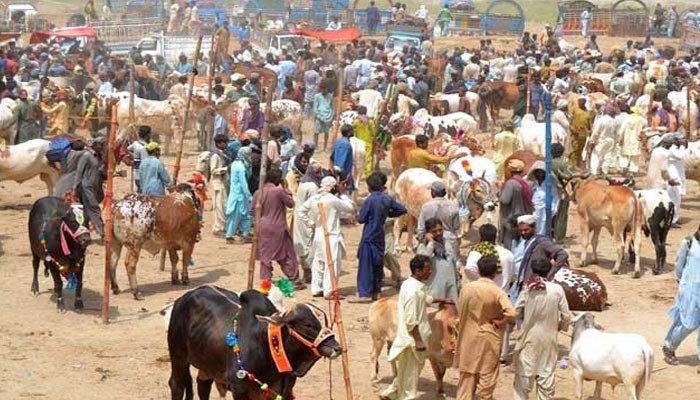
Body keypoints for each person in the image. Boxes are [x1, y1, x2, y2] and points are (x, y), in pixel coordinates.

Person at [380, 255, 451, 400]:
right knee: (412, 373)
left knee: (406, 369)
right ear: (418, 271)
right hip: (413, 339)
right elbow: (411, 320)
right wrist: (418, 341)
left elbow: (424, 298)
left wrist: (441, 300)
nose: (430, 272)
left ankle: (391, 392)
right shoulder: (413, 291)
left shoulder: (411, 285)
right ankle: (407, 397)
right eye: (427, 269)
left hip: (409, 337)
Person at [455, 255, 516, 400]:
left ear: (479, 270)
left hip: (467, 337)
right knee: (487, 378)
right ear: (495, 273)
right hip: (489, 338)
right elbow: (512, 313)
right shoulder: (497, 292)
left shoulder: (466, 288)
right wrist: (501, 322)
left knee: (467, 378)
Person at [512, 258, 571, 400]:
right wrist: (560, 327)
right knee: (546, 380)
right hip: (549, 341)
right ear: (548, 271)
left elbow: (515, 312)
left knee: (523, 383)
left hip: (529, 340)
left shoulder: (528, 289)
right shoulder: (557, 290)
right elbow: (566, 316)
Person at [300, 176, 355, 299]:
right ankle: (329, 291)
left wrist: (310, 223)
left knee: (319, 261)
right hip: (331, 235)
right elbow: (350, 208)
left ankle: (317, 288)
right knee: (332, 263)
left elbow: (301, 211)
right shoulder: (333, 199)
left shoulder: (314, 199)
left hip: (319, 233)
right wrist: (344, 194)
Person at [356, 172, 407, 301]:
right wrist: (388, 213)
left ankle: (365, 293)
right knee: (378, 264)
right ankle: (376, 292)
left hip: (369, 235)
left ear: (369, 187)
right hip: (380, 235)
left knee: (366, 265)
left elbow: (361, 219)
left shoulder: (370, 200)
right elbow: (402, 210)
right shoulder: (387, 198)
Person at [251, 168, 304, 287]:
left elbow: (252, 211)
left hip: (262, 227)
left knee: (265, 255)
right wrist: (286, 188)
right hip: (278, 226)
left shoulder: (258, 192)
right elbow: (291, 203)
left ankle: (266, 279)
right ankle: (294, 279)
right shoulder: (278, 191)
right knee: (287, 253)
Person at [662, 225, 700, 373]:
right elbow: (679, 264)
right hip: (690, 290)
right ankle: (669, 346)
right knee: (688, 323)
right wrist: (681, 282)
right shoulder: (689, 242)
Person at [417, 218, 458, 303]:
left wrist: (458, 281)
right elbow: (424, 259)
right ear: (428, 233)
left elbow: (452, 261)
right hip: (435, 288)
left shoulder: (446, 242)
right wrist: (431, 242)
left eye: (440, 230)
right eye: (434, 231)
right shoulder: (423, 246)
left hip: (450, 285)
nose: (438, 233)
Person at [417, 181, 461, 259]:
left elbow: (421, 229)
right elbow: (456, 226)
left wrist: (422, 241)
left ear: (433, 192)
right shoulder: (454, 206)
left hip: (431, 240)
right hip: (449, 240)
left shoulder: (426, 206)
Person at [464, 223, 514, 291]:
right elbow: (514, 276)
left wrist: (482, 280)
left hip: (484, 294)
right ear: (496, 236)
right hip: (503, 294)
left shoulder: (477, 252)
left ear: (480, 236)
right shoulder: (508, 254)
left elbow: (469, 268)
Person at [498, 159, 534, 249]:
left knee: (509, 243)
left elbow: (505, 200)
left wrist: (499, 191)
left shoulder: (511, 183)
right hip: (525, 216)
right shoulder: (527, 183)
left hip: (511, 219)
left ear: (510, 171)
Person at [74, 137, 106, 236]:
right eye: (101, 145)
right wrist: (74, 188)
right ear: (95, 145)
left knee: (87, 211)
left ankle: (85, 231)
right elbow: (79, 172)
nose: (102, 147)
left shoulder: (99, 155)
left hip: (96, 186)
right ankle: (102, 232)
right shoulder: (86, 155)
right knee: (94, 208)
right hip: (87, 186)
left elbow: (99, 171)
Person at [226, 146, 253, 244]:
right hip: (240, 195)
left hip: (233, 193)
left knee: (233, 216)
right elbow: (243, 183)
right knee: (246, 215)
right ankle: (245, 235)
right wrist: (249, 196)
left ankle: (229, 235)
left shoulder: (234, 164)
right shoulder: (242, 168)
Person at [526, 161, 560, 236]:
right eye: (538, 172)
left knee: (544, 224)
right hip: (534, 208)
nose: (539, 174)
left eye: (541, 172)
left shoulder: (550, 184)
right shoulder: (533, 183)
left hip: (545, 208)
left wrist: (553, 208)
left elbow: (555, 197)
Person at [551, 143, 574, 243]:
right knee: (561, 215)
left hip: (549, 191)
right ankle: (559, 238)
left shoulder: (547, 162)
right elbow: (568, 176)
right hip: (561, 191)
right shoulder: (562, 163)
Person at [209, 135, 230, 236]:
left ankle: (223, 227)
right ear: (218, 144)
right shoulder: (215, 156)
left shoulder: (223, 155)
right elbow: (213, 171)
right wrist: (225, 169)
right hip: (217, 184)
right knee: (219, 207)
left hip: (222, 183)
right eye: (224, 143)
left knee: (223, 206)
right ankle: (218, 229)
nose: (225, 145)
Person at [668, 134, 687, 225]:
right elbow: (680, 156)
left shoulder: (678, 149)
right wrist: (682, 145)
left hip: (679, 176)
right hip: (673, 177)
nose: (684, 141)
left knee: (677, 199)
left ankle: (674, 218)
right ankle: (671, 220)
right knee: (674, 199)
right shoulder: (672, 149)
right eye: (682, 139)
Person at [568, 97, 592, 167]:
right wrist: (572, 129)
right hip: (575, 133)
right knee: (574, 148)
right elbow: (570, 121)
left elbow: (589, 122)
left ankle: (578, 164)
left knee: (581, 149)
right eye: (580, 101)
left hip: (583, 133)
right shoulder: (574, 109)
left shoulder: (587, 111)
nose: (582, 103)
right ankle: (572, 164)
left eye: (583, 101)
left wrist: (590, 130)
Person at [352, 105, 375, 178]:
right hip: (368, 143)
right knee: (368, 159)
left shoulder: (355, 121)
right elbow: (373, 132)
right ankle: (368, 175)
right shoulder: (370, 122)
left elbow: (353, 131)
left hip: (358, 143)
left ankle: (357, 175)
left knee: (358, 159)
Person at [330, 125, 354, 190]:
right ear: (349, 133)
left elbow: (332, 157)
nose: (353, 132)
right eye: (352, 130)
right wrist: (344, 177)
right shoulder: (345, 144)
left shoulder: (339, 141)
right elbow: (341, 163)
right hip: (343, 175)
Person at [127, 125, 150, 192]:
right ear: (148, 135)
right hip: (143, 175)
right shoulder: (145, 147)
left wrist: (133, 156)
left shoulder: (135, 143)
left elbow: (128, 149)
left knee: (139, 190)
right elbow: (145, 163)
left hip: (136, 173)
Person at [313, 81, 334, 151]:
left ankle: (325, 147)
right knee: (316, 132)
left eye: (325, 89)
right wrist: (319, 116)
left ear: (327, 89)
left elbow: (332, 106)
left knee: (326, 132)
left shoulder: (330, 96)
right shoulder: (317, 96)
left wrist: (331, 115)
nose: (324, 90)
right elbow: (315, 108)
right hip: (319, 117)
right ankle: (316, 146)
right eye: (322, 89)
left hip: (327, 117)